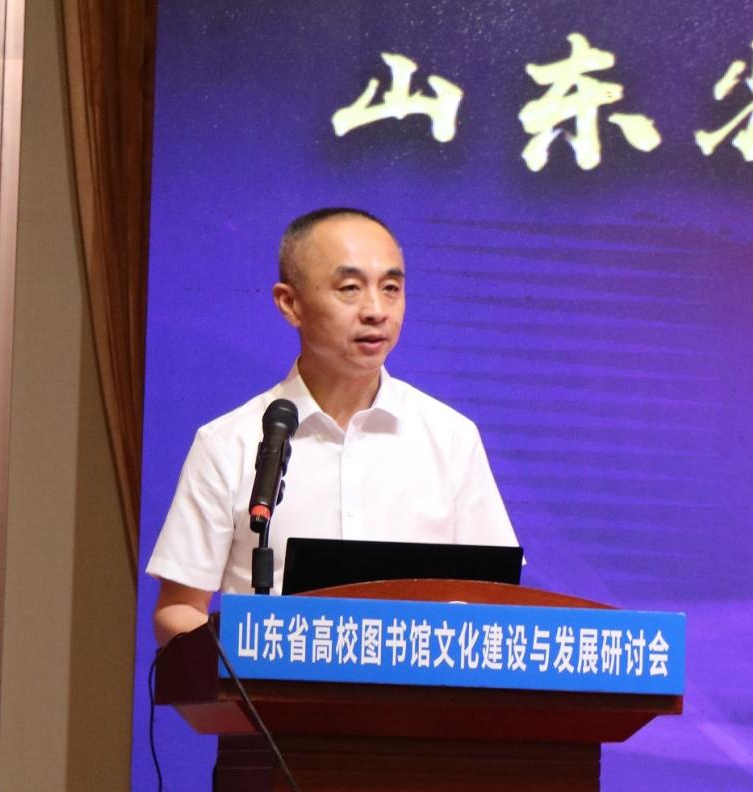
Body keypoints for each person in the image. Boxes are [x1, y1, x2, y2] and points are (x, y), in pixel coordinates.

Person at [148, 208, 518, 644]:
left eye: (391, 288)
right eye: (350, 289)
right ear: (290, 303)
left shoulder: (450, 437)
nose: (376, 310)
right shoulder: (230, 442)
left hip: (417, 686)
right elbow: (179, 609)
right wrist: (252, 660)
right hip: (269, 688)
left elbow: (497, 601)